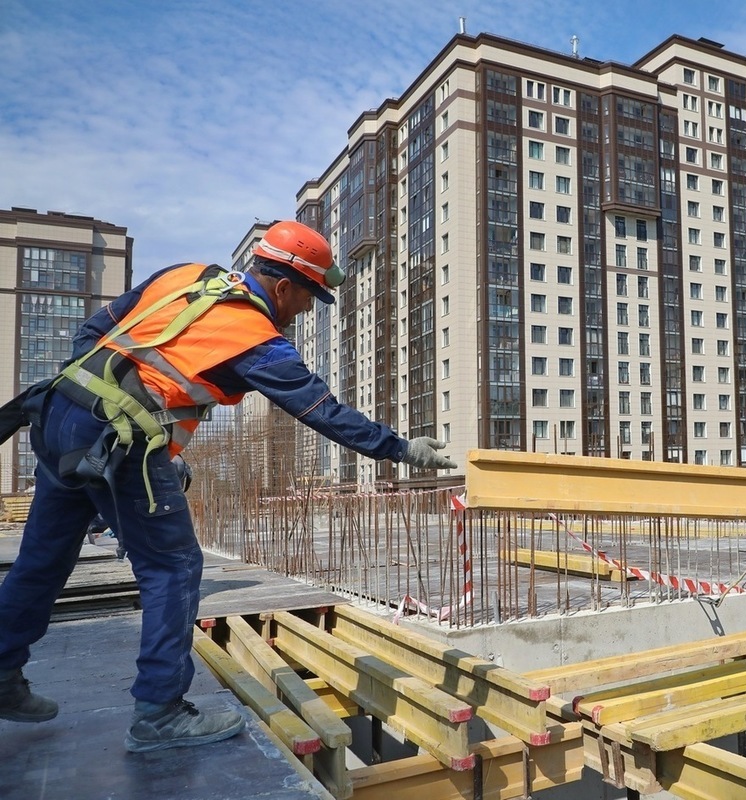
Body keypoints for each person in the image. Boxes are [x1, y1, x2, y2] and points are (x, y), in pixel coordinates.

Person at [0, 220, 455, 752]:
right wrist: (400, 449)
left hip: (59, 415)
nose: (306, 311)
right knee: (174, 566)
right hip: (116, 439)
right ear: (284, 286)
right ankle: (159, 713)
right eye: (308, 297)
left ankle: (2, 673)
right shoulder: (257, 340)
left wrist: (145, 438)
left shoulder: (185, 276)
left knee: (42, 558)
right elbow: (323, 412)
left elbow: (93, 331)